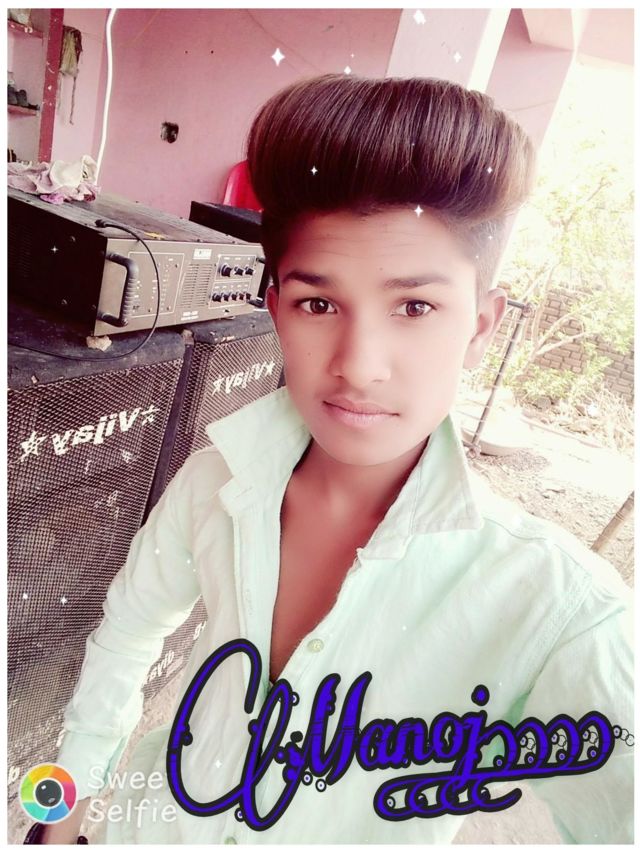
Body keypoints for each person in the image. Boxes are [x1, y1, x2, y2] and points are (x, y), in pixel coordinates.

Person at [37, 74, 632, 844]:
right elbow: (127, 631)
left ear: (480, 326)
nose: (358, 364)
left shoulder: (561, 609)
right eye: (319, 303)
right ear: (276, 307)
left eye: (414, 306)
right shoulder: (219, 479)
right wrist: (61, 813)